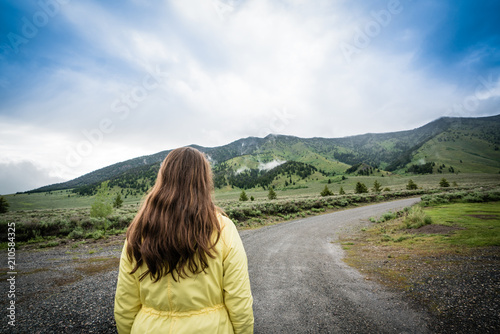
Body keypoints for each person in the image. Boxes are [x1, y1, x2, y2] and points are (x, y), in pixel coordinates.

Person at [114, 147, 254, 333]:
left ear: (162, 177)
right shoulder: (223, 228)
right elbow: (239, 300)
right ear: (204, 181)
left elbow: (125, 304)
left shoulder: (139, 230)